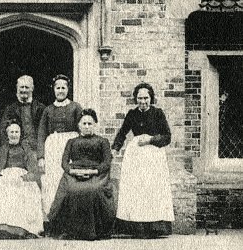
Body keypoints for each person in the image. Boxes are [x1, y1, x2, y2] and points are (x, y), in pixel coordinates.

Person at [112, 82, 174, 238]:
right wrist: (115, 149)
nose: (143, 101)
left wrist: (150, 140)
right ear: (135, 99)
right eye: (140, 98)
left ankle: (155, 228)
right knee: (137, 189)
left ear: (151, 98)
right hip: (136, 155)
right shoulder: (132, 114)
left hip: (154, 155)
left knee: (152, 188)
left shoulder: (158, 113)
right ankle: (137, 228)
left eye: (146, 98)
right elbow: (122, 133)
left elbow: (167, 137)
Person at [48, 109, 115, 240]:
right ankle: (71, 231)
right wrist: (73, 171)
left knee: (93, 190)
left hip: (96, 173)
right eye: (84, 123)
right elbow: (64, 162)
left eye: (90, 123)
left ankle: (95, 230)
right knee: (71, 190)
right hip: (74, 173)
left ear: (95, 124)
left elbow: (107, 162)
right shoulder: (71, 141)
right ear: (79, 125)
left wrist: (94, 171)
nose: (87, 126)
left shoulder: (103, 141)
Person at [0, 120, 44, 239]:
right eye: (11, 132)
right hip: (4, 177)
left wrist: (24, 178)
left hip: (22, 177)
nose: (14, 134)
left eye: (16, 132)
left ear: (20, 133)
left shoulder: (27, 150)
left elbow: (34, 171)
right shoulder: (1, 150)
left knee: (24, 193)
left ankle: (20, 228)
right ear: (7, 134)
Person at [37, 74, 83, 215]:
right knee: (52, 180)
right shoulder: (48, 110)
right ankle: (53, 216)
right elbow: (41, 133)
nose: (61, 91)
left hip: (70, 146)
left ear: (68, 89)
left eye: (63, 87)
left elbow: (82, 129)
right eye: (58, 88)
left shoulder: (76, 107)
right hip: (52, 148)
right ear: (54, 90)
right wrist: (41, 157)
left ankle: (70, 216)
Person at [0, 75, 46, 152]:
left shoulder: (41, 108)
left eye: (26, 87)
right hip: (17, 151)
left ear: (32, 88)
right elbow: (3, 132)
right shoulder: (10, 109)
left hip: (37, 150)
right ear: (17, 88)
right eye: (21, 87)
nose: (24, 90)